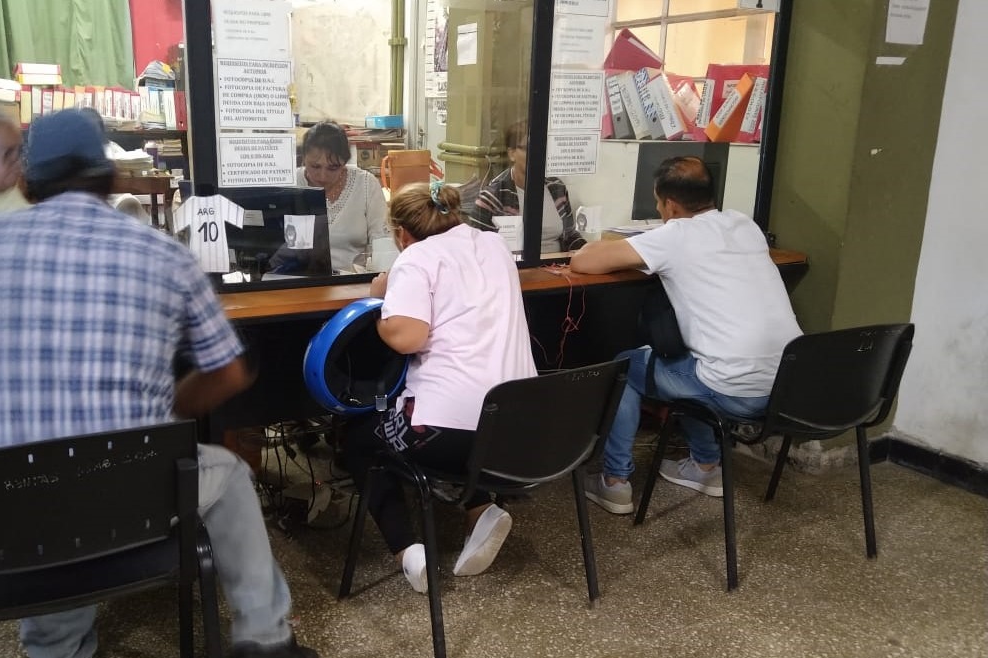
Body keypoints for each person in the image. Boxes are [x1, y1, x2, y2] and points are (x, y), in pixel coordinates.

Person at [0, 109, 317, 658]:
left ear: (26, 180)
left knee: (48, 496)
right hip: (126, 503)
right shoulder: (166, 254)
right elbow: (232, 370)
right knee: (227, 472)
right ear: (111, 178)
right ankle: (265, 640)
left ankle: (58, 647)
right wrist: (170, 406)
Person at [568, 156, 802, 514]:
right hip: (787, 387)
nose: (659, 211)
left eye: (658, 204)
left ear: (671, 206)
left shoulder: (674, 236)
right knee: (689, 362)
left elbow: (583, 262)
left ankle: (615, 483)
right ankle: (705, 467)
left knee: (625, 367)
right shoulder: (744, 224)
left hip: (733, 389)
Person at [341, 181, 537, 593]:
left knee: (358, 438)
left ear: (401, 234)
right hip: (515, 428)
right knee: (466, 412)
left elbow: (407, 337)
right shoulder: (494, 244)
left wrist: (380, 299)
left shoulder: (416, 258)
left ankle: (408, 552)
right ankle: (480, 511)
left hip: (447, 434)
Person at [469, 120, 585, 253]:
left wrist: (587, 250)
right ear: (511, 153)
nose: (535, 153)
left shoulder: (557, 189)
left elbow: (570, 236)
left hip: (558, 263)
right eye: (527, 148)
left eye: (540, 147)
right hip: (515, 264)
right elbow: (475, 246)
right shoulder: (493, 196)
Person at [295, 121, 387, 272]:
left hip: (352, 278)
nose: (323, 176)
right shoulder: (291, 183)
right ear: (303, 158)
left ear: (344, 163)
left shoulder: (365, 184)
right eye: (315, 166)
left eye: (333, 168)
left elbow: (382, 240)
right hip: (298, 279)